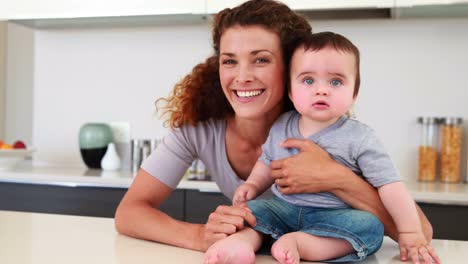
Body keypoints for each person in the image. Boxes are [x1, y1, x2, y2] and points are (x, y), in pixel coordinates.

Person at [115, 0, 433, 256]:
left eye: (261, 60)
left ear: (292, 69)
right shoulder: (199, 131)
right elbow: (130, 213)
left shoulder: (334, 132)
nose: (242, 76)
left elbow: (422, 231)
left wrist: (336, 179)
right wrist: (202, 236)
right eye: (229, 61)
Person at [203, 31, 441, 264]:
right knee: (252, 211)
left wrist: (410, 233)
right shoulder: (282, 125)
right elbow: (267, 160)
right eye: (308, 80)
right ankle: (241, 245)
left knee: (370, 228)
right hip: (284, 209)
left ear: (354, 93)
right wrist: (253, 184)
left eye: (336, 81)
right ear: (290, 91)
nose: (321, 89)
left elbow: (391, 187)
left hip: (334, 218)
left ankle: (301, 244)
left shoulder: (360, 137)